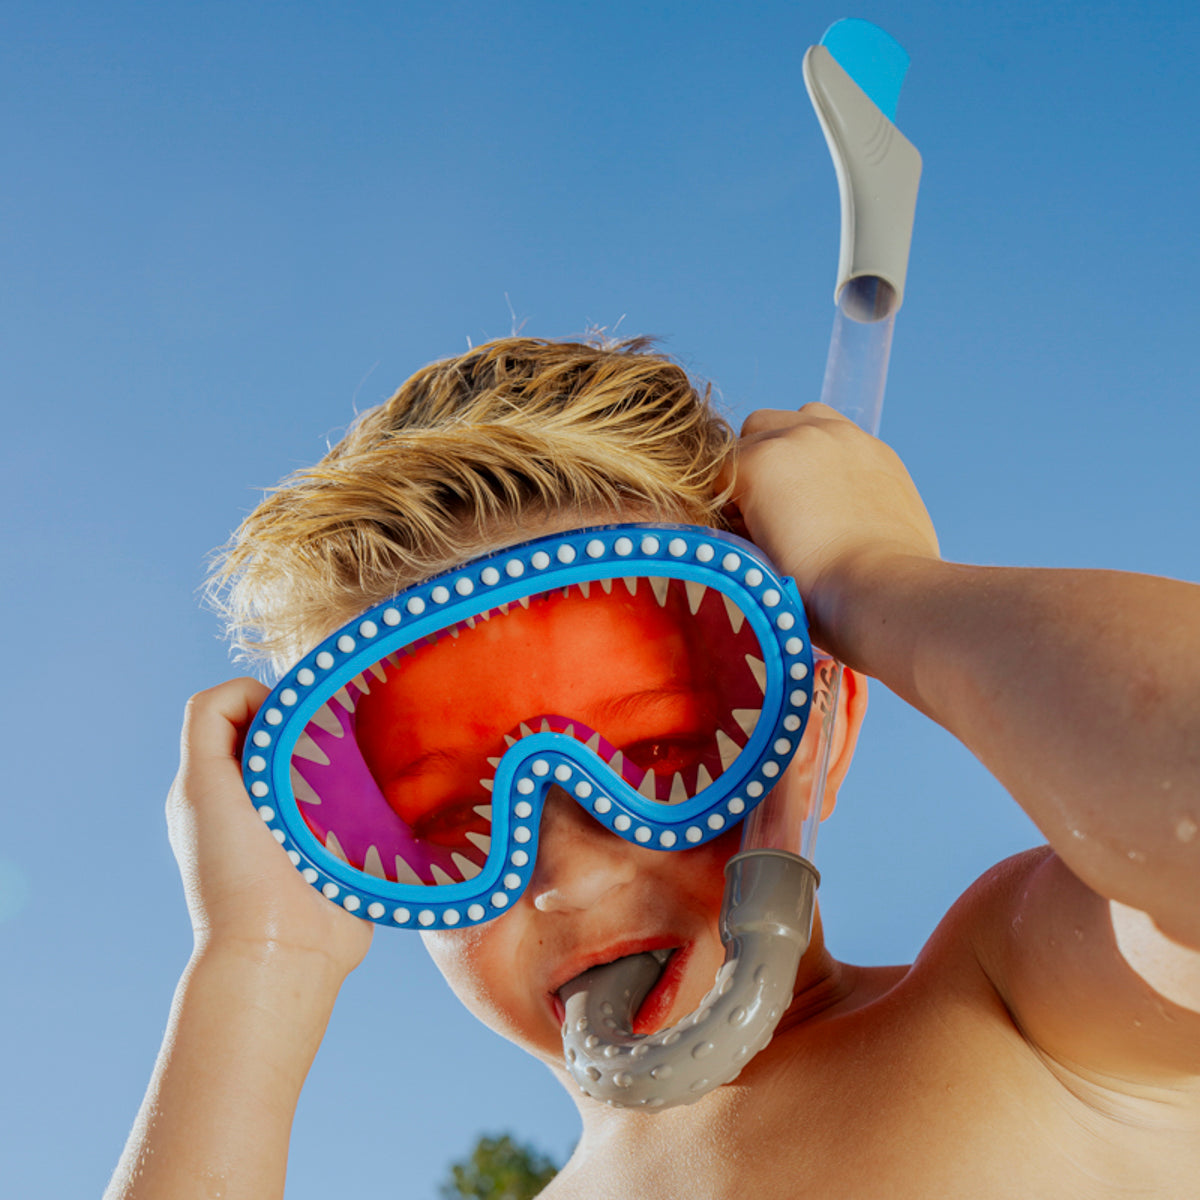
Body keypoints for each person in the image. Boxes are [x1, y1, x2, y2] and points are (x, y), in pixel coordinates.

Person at [106, 337, 1200, 1199]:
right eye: (449, 817)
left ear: (808, 732)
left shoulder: (1029, 1016)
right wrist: (256, 964)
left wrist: (875, 577)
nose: (568, 874)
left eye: (659, 750)